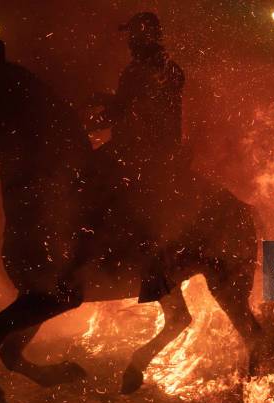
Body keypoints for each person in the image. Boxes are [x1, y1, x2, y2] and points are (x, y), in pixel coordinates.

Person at [90, 12, 186, 302]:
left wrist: (95, 117)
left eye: (134, 34)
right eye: (130, 35)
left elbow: (131, 108)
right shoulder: (154, 67)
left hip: (151, 151)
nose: (130, 41)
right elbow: (126, 105)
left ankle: (153, 270)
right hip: (136, 146)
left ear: (147, 35)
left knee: (132, 199)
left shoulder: (156, 68)